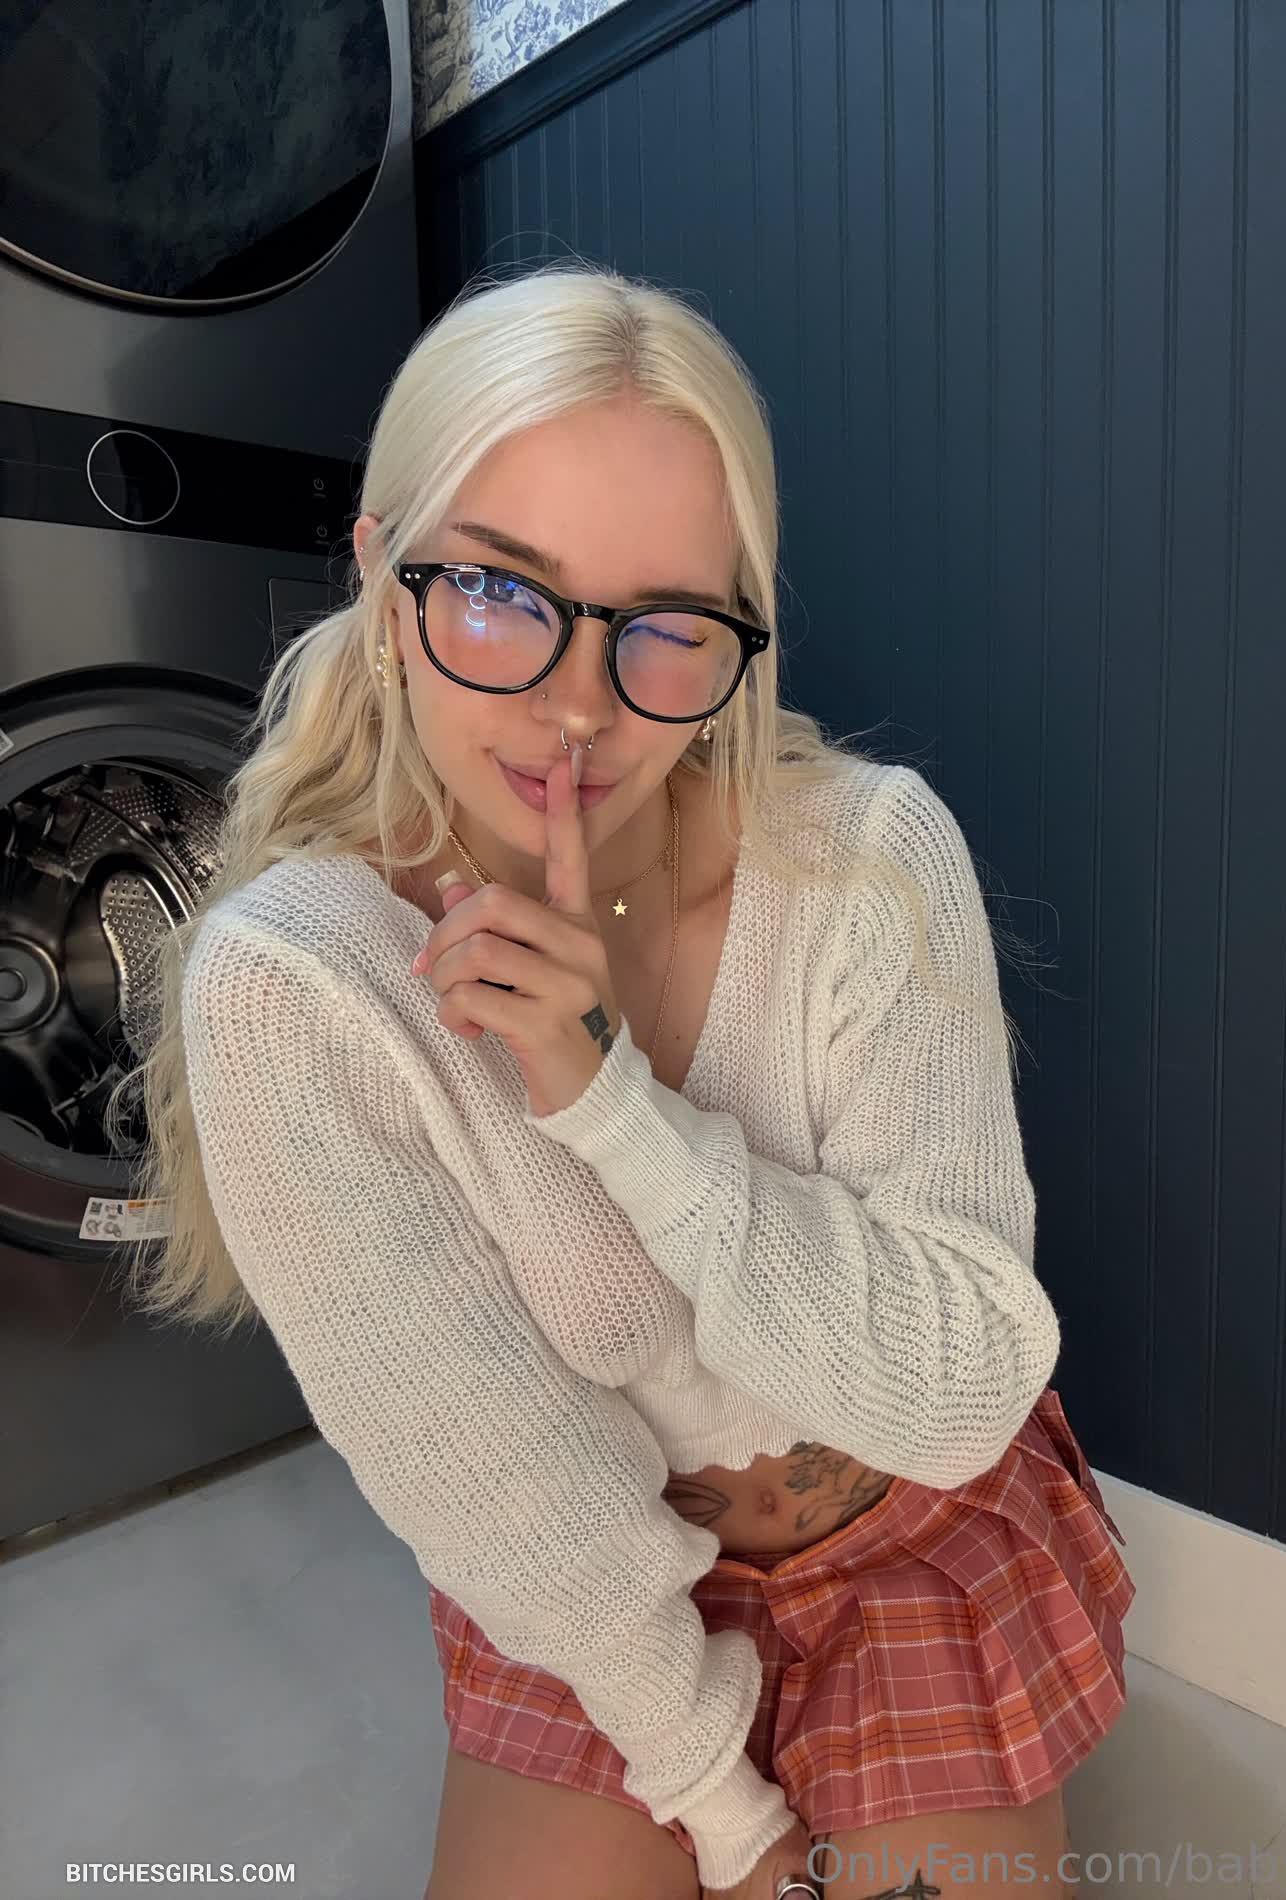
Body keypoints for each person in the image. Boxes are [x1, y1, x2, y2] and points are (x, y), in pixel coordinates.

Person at [112, 259, 1135, 1900]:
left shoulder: (864, 860)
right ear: (383, 579)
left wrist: (614, 1108)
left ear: (739, 632)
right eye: (496, 591)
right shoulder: (301, 982)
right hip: (602, 1600)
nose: (576, 705)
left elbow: (956, 1396)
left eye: (665, 624)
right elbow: (503, 1487)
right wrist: (732, 1822)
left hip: (913, 1538)